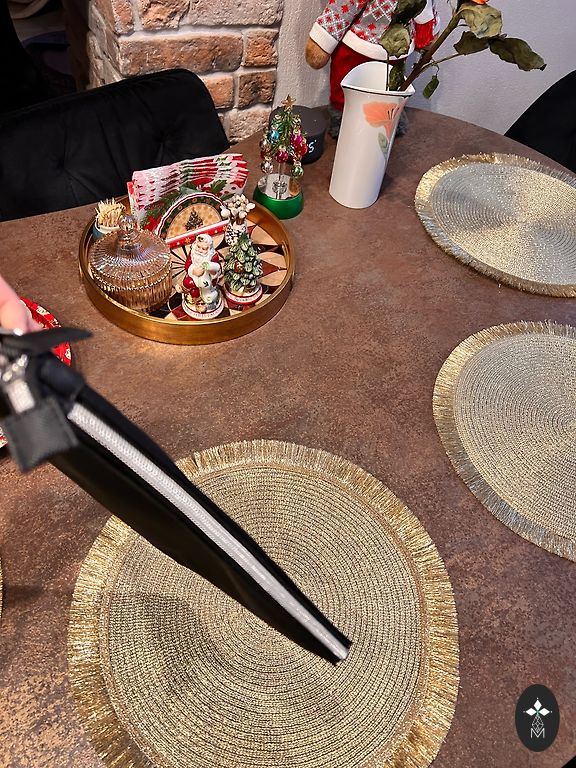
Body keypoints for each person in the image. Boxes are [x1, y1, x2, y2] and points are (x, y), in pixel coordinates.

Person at [305, 0, 438, 137]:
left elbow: (424, 6)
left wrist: (428, 35)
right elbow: (344, 6)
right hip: (357, 45)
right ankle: (341, 115)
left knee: (390, 86)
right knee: (345, 83)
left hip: (398, 48)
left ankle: (388, 115)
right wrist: (323, 40)